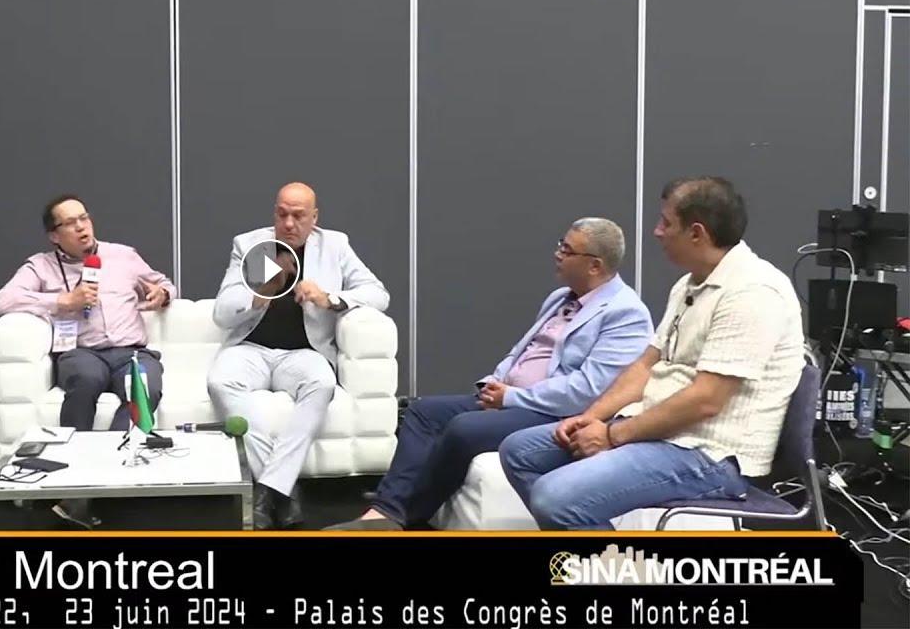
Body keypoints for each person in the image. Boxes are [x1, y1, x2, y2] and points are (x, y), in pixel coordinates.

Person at [499, 177, 805, 529]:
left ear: (696, 233)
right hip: (661, 429)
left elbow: (706, 400)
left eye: (666, 222)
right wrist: (592, 417)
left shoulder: (752, 293)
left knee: (555, 498)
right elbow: (646, 365)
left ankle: (621, 563)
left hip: (710, 453)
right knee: (520, 452)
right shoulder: (689, 283)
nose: (657, 232)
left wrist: (612, 436)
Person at [333, 218, 652, 530]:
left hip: (554, 412)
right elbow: (522, 350)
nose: (557, 254)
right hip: (511, 397)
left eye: (567, 250)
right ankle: (387, 508)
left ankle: (402, 513)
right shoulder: (560, 297)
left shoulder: (626, 313)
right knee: (423, 412)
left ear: (594, 265)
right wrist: (495, 382)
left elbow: (587, 390)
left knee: (464, 428)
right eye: (561, 245)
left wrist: (511, 398)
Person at [208, 182, 390, 529]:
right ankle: (284, 489)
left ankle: (268, 491)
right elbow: (222, 313)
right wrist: (261, 292)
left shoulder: (334, 245)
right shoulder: (252, 246)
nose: (289, 224)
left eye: (298, 216)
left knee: (322, 384)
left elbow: (378, 294)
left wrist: (328, 298)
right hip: (250, 349)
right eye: (282, 215)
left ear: (314, 218)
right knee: (219, 381)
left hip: (304, 353)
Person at [0, 194, 176, 432]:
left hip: (131, 352)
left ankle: (117, 449)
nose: (81, 227)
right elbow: (4, 300)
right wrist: (63, 301)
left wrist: (163, 294)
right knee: (86, 379)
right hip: (81, 353)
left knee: (144, 387)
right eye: (70, 223)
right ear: (54, 236)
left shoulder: (123, 255)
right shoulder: (41, 266)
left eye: (84, 218)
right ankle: (74, 449)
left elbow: (165, 284)